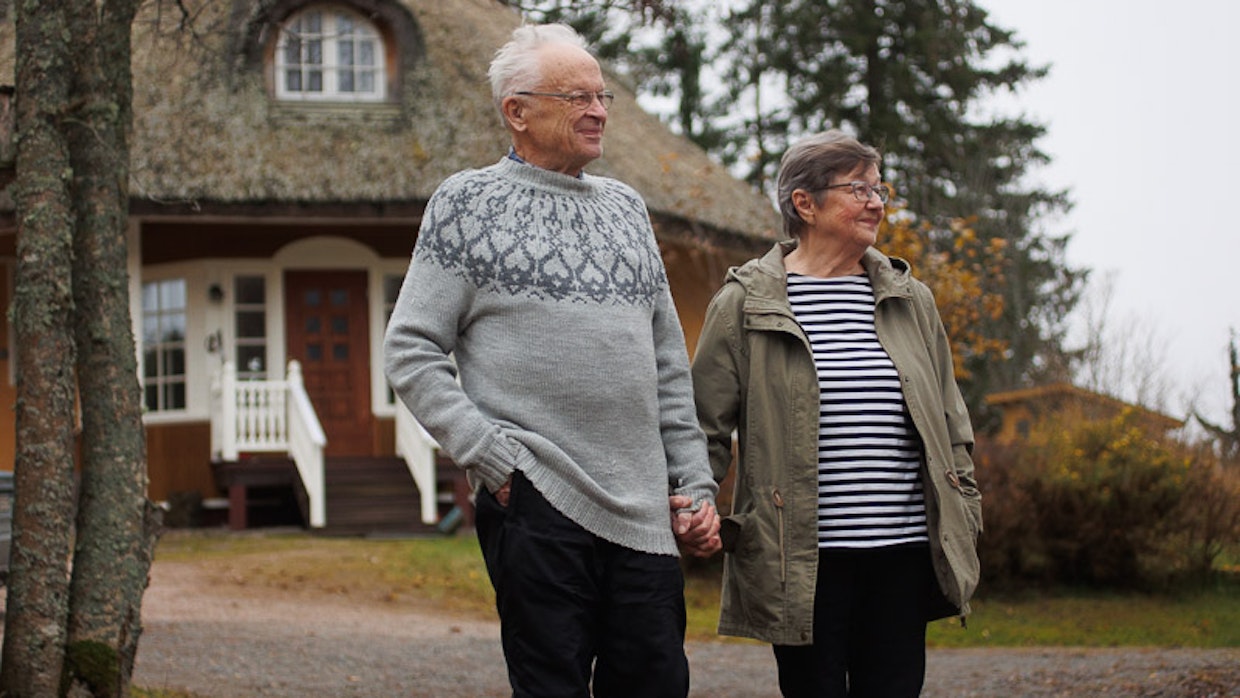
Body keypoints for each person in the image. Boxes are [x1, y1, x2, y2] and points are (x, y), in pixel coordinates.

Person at [383, 22, 721, 698]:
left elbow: (666, 365)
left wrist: (697, 483)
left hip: (643, 514)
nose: (598, 111)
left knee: (657, 683)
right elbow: (411, 350)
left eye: (602, 97)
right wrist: (493, 460)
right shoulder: (466, 204)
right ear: (518, 111)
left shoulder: (626, 209)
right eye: (577, 98)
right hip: (537, 501)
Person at [690, 130, 982, 697]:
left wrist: (965, 508)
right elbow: (704, 427)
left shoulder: (908, 298)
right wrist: (695, 502)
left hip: (902, 553)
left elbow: (951, 421)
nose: (877, 202)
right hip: (801, 558)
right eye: (859, 189)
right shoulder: (746, 303)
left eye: (880, 189)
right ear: (805, 203)